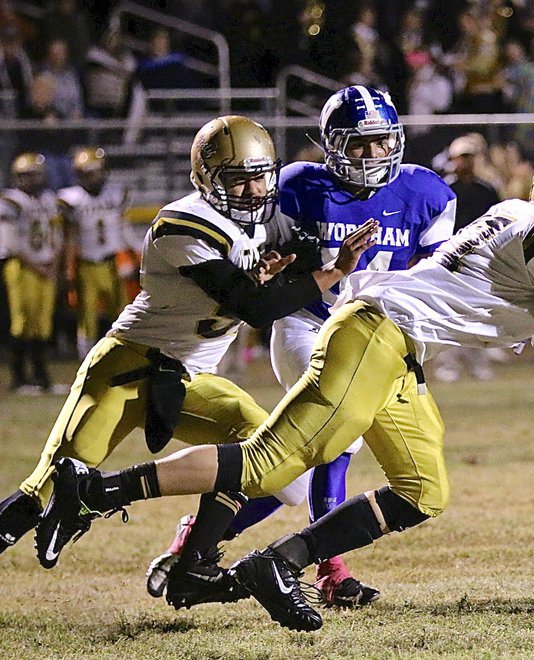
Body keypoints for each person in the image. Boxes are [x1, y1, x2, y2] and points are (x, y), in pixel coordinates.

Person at [34, 154, 534, 632]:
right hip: (375, 335)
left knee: (421, 488)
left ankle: (278, 561)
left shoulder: (518, 218)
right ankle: (94, 490)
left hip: (396, 345)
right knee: (267, 463)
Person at [0, 115, 374, 591]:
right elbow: (254, 307)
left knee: (282, 474)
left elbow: (285, 264)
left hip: (191, 378)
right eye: (239, 180)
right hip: (127, 369)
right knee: (42, 493)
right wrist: (332, 271)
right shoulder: (184, 223)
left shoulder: (266, 219)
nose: (254, 191)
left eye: (261, 177)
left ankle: (194, 561)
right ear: (208, 178)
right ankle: (84, 501)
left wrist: (287, 268)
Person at [146, 85, 457, 610]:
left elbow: (437, 276)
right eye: (359, 145)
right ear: (333, 144)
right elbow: (257, 261)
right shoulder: (295, 187)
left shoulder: (428, 192)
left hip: (378, 335)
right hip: (306, 326)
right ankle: (330, 570)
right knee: (337, 442)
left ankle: (195, 539)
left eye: (381, 143)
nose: (372, 155)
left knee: (290, 475)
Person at [59, 147, 133, 358]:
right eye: (85, 173)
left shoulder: (116, 194)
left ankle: (122, 358)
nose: (90, 178)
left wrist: (130, 258)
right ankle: (87, 362)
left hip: (112, 261)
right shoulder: (70, 199)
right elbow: (69, 236)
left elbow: (122, 228)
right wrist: (68, 269)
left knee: (122, 315)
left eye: (93, 172)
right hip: (86, 264)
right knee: (87, 319)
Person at [1, 152, 63, 393]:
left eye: (35, 175)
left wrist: (53, 263)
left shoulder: (49, 199)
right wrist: (37, 265)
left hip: (45, 265)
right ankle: (18, 378)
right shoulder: (10, 201)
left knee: (42, 323)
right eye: (26, 176)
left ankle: (41, 377)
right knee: (22, 321)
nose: (31, 180)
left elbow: (56, 235)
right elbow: (10, 241)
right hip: (21, 266)